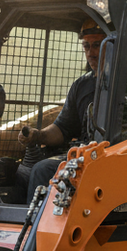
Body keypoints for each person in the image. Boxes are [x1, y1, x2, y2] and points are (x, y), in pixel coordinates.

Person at [13, 18, 104, 204]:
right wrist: (37, 136)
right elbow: (63, 128)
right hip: (84, 154)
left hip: (113, 155)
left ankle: (36, 228)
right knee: (22, 172)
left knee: (42, 169)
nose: (90, 53)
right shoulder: (82, 86)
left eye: (96, 46)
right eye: (86, 46)